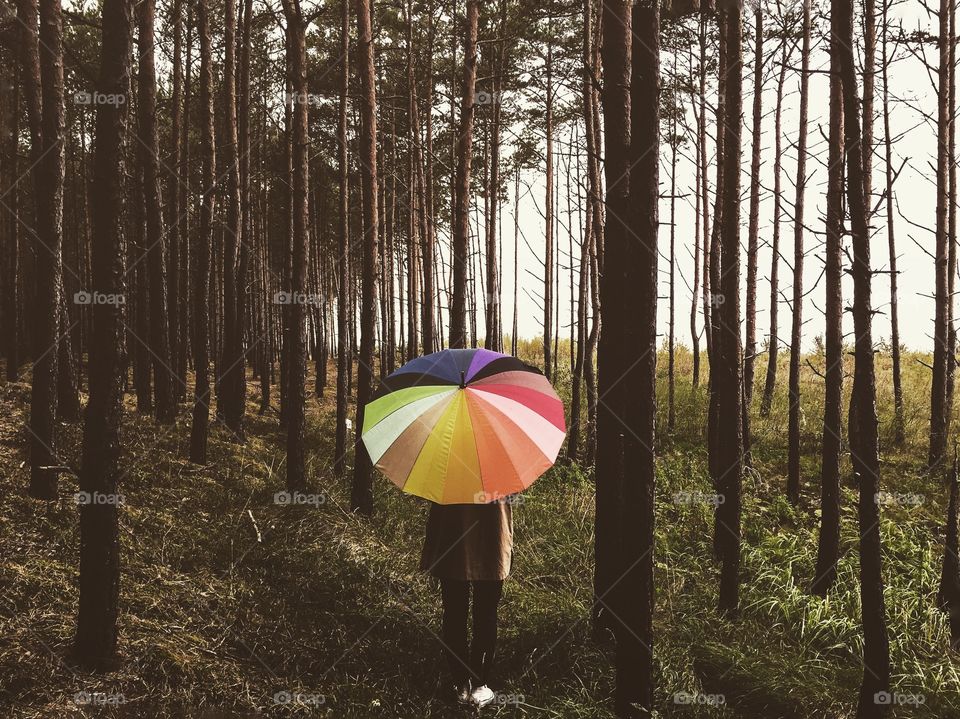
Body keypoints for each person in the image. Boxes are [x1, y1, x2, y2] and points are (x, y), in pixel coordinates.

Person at [420, 498, 513, 709]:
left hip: (475, 527)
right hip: (473, 528)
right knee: (470, 610)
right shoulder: (498, 464)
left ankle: (469, 681)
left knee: (470, 610)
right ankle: (468, 681)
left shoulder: (447, 464)